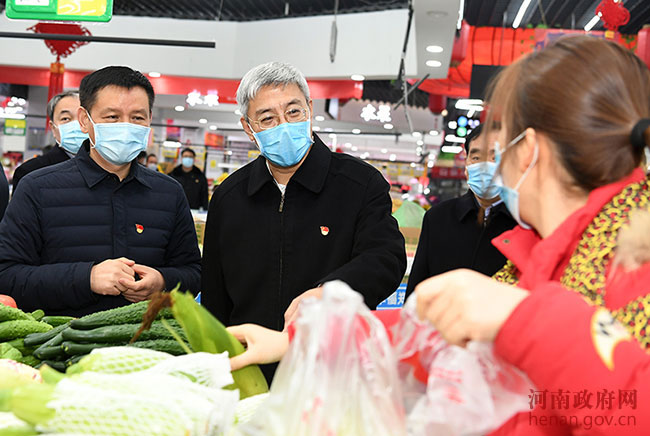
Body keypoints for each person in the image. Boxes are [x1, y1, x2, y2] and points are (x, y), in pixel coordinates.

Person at [224, 36, 650, 435]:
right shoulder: (546, 250)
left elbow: (630, 405)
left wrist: (524, 318)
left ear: (531, 149)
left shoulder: (631, 262)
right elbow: (433, 333)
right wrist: (295, 340)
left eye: (500, 141)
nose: (493, 162)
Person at [201, 61, 406, 381]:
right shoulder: (230, 196)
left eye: (293, 112)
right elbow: (214, 292)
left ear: (310, 110)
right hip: (250, 369)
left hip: (335, 367)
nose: (283, 124)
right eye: (267, 118)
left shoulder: (359, 183)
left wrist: (332, 291)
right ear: (248, 127)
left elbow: (385, 258)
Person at [0, 66, 201, 316]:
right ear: (85, 120)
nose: (126, 126)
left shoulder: (169, 192)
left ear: (149, 119)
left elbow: (193, 272)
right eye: (112, 117)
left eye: (137, 117)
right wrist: (87, 278)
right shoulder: (37, 188)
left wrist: (162, 281)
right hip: (59, 344)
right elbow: (7, 275)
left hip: (147, 344)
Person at [405, 124, 516, 297]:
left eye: (495, 158)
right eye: (476, 157)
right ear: (466, 166)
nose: (485, 166)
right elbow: (417, 288)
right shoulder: (438, 218)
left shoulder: (524, 223)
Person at [12, 91, 87, 193]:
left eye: (83, 118)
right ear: (53, 128)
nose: (76, 124)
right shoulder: (30, 171)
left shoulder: (109, 168)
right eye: (65, 118)